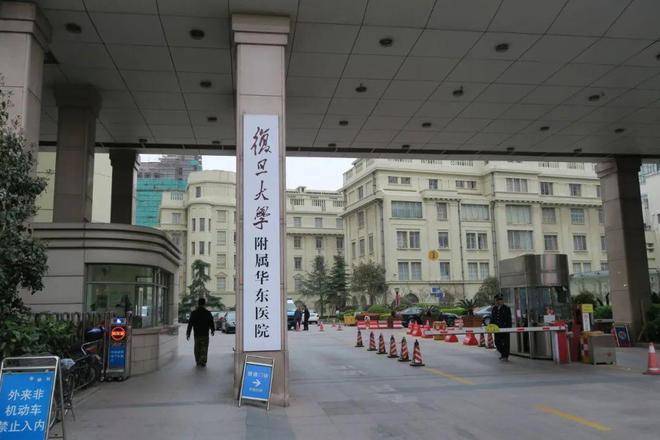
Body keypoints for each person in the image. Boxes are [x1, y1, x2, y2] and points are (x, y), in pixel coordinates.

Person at [186, 297, 215, 367]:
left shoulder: (194, 313)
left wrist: (188, 333)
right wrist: (212, 330)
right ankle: (203, 361)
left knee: (197, 348)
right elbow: (211, 322)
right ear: (204, 304)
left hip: (197, 334)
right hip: (205, 334)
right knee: (204, 348)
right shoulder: (207, 313)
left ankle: (198, 361)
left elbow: (190, 324)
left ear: (198, 303)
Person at [491, 294, 512, 362]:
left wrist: (509, 328)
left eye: (500, 300)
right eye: (497, 300)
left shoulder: (506, 308)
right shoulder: (494, 308)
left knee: (506, 343)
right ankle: (503, 354)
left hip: (505, 328)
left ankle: (505, 356)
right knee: (497, 343)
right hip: (496, 329)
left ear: (502, 301)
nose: (498, 301)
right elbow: (492, 319)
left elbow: (509, 319)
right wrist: (490, 327)